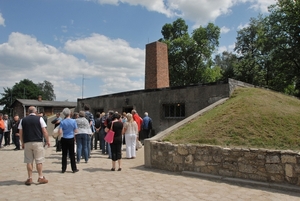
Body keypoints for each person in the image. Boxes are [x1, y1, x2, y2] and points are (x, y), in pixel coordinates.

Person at [18, 106, 50, 185]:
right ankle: (40, 177)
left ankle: (29, 178)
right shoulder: (40, 119)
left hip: (27, 142)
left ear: (28, 112)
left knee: (29, 161)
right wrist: (47, 140)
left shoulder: (23, 120)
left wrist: (22, 142)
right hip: (38, 141)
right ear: (35, 112)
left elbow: (20, 132)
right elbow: (44, 131)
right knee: (39, 160)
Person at [59, 108, 79, 173]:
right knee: (72, 154)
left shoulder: (62, 121)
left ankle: (63, 169)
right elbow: (76, 130)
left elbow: (60, 131)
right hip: (71, 138)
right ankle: (74, 168)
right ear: (70, 113)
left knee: (64, 154)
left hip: (64, 138)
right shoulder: (73, 121)